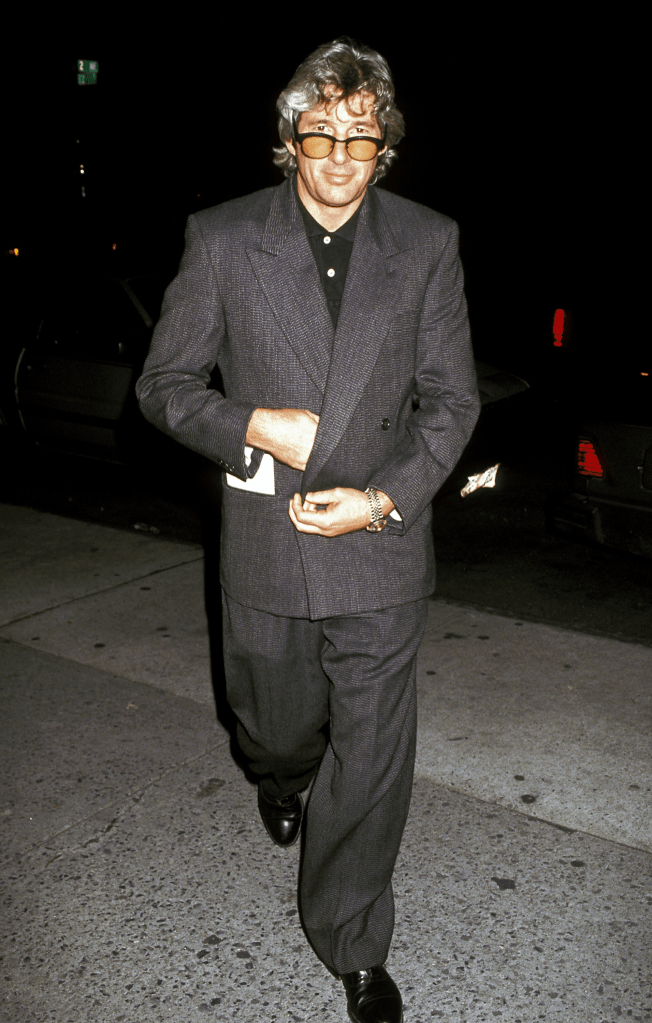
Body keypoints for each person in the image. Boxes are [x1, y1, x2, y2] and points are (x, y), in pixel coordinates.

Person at [136, 37, 479, 1023]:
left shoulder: (426, 243)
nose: (338, 157)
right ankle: (277, 777)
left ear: (384, 148)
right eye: (319, 133)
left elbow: (452, 402)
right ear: (289, 137)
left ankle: (353, 940)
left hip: (378, 540)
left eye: (360, 137)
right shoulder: (221, 237)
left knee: (370, 756)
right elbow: (163, 387)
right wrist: (252, 424)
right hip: (269, 542)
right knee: (278, 728)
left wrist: (382, 498)